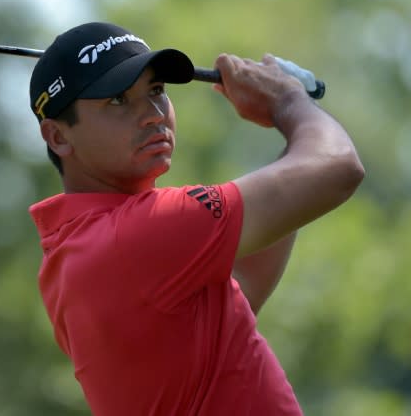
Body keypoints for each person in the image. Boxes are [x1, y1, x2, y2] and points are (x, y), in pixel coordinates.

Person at [27, 22, 364, 415]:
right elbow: (339, 167)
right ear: (58, 137)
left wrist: (290, 137)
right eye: (118, 100)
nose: (152, 114)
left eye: (156, 91)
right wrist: (288, 101)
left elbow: (239, 291)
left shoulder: (71, 251)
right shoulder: (138, 234)